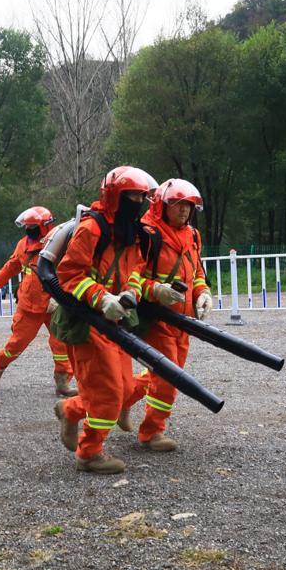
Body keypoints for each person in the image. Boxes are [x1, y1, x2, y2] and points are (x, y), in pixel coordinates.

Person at [52, 166, 157, 474]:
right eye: (133, 196)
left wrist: (130, 296)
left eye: (142, 196)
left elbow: (135, 271)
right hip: (87, 322)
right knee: (109, 393)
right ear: (115, 197)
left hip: (116, 322)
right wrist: (103, 299)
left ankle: (71, 410)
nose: (139, 202)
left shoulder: (133, 232)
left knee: (124, 390)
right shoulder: (92, 229)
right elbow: (69, 275)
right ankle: (89, 453)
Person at [116, 179, 214, 452]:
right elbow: (130, 278)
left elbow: (196, 273)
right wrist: (155, 291)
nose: (184, 211)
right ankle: (151, 432)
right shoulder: (146, 234)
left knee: (161, 373)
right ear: (162, 205)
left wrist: (202, 293)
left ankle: (119, 402)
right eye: (178, 204)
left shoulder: (193, 235)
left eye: (189, 206)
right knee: (170, 377)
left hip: (183, 322)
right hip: (156, 319)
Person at [0, 206, 75, 397]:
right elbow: (12, 266)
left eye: (32, 226)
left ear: (44, 226)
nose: (28, 230)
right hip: (29, 304)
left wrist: (60, 298)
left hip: (54, 304)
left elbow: (70, 271)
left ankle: (62, 382)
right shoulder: (23, 244)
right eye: (27, 226)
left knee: (62, 344)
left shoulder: (61, 242)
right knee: (17, 343)